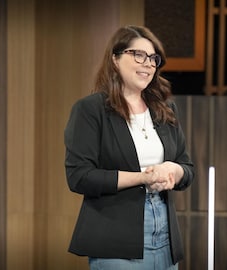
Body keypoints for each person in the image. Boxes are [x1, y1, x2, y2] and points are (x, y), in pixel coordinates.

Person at [64, 25, 195, 270]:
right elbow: (79, 177)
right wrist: (142, 178)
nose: (148, 64)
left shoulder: (164, 109)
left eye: (153, 58)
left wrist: (172, 171)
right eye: (139, 55)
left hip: (165, 237)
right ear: (115, 59)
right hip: (115, 239)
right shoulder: (91, 110)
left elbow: (187, 168)